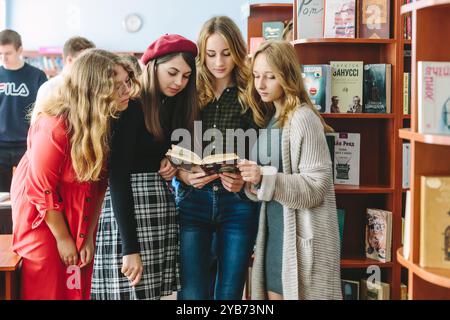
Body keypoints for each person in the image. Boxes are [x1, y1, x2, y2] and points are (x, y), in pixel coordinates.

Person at [10, 49, 139, 300]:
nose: (127, 91)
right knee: (47, 285)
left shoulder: (106, 119)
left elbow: (100, 184)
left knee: (77, 285)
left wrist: (88, 235)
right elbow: (40, 189)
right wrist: (63, 238)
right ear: (95, 90)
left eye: (127, 82)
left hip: (79, 207)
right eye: (117, 86)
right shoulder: (55, 125)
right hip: (43, 214)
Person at [91, 34, 198, 300]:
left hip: (159, 208)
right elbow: (118, 177)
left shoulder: (175, 105)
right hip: (129, 212)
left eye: (186, 76)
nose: (178, 82)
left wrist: (171, 161)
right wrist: (130, 247)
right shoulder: (132, 106)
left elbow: (168, 150)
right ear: (152, 66)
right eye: (172, 72)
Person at [238, 40, 342, 300]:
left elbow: (317, 187)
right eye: (257, 76)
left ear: (287, 76)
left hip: (300, 242)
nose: (260, 84)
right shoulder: (271, 119)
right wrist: (249, 180)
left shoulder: (303, 118)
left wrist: (263, 177)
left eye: (270, 77)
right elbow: (266, 186)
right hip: (276, 239)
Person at [174, 16, 259, 300]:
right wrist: (183, 174)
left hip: (237, 204)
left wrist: (244, 180)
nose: (219, 62)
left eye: (226, 54)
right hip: (192, 199)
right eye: (211, 54)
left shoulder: (253, 91)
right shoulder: (188, 89)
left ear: (238, 51)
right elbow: (171, 146)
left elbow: (263, 150)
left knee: (229, 293)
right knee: (192, 294)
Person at [0, 29, 47, 191]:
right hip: (1, 144)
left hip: (27, 144)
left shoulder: (37, 76)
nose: (3, 58)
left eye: (8, 53)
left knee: (28, 192)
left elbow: (44, 111)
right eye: (0, 54)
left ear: (20, 50)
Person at [31, 36, 95, 124]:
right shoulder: (49, 88)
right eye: (85, 61)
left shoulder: (90, 86)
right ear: (69, 60)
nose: (90, 67)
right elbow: (36, 124)